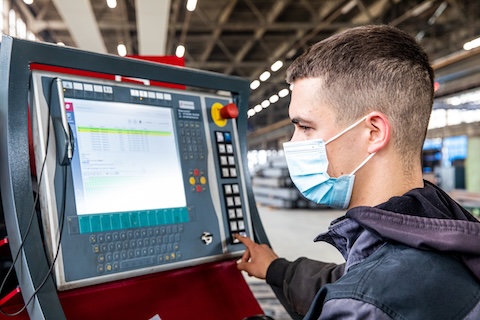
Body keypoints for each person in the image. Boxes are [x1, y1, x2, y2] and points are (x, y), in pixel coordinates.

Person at [236, 25, 480, 319]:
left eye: (305, 127)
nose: (292, 142)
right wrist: (276, 269)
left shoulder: (367, 304)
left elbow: (362, 296)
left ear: (374, 133)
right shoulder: (444, 231)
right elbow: (350, 277)